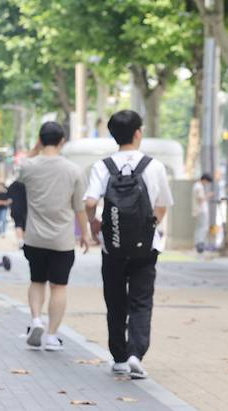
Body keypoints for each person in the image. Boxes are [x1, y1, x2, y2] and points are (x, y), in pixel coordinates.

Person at [84, 110, 173, 379]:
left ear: (112, 135)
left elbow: (89, 202)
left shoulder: (103, 166)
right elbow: (162, 204)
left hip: (113, 245)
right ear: (138, 133)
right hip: (146, 246)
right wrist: (150, 226)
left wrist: (94, 224)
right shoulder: (153, 166)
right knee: (141, 300)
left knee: (115, 300)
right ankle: (136, 354)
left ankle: (119, 358)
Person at [17, 122, 89, 352]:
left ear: (40, 139)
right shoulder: (73, 170)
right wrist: (85, 233)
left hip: (34, 237)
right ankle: (51, 335)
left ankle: (36, 319)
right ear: (62, 141)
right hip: (62, 240)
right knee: (59, 287)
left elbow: (21, 169)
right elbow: (80, 207)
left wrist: (34, 149)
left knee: (37, 281)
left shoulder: (29, 166)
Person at [192, 173, 213, 255]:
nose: (207, 184)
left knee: (199, 227)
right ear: (204, 180)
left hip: (198, 210)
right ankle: (200, 245)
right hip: (201, 210)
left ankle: (198, 244)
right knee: (203, 227)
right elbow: (201, 199)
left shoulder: (196, 185)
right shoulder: (199, 186)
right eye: (207, 182)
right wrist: (209, 195)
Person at [6, 179, 26, 248]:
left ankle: (20, 241)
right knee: (24, 225)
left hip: (15, 208)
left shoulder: (12, 186)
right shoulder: (25, 185)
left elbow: (8, 198)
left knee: (18, 224)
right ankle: (24, 241)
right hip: (25, 208)